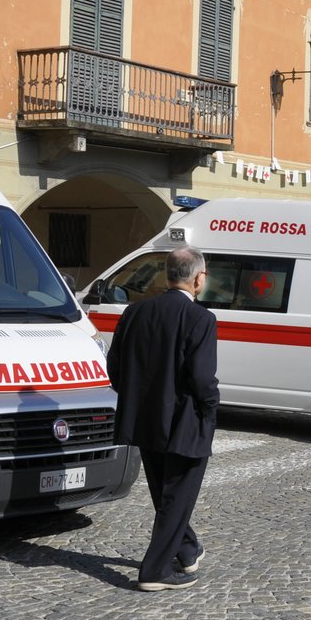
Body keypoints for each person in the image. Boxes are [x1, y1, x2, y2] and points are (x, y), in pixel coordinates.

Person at [107, 245, 219, 592]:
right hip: (185, 421)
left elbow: (115, 367)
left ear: (168, 275)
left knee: (167, 495)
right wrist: (211, 406)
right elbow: (202, 378)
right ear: (199, 279)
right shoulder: (201, 318)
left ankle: (186, 550)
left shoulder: (135, 312)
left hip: (146, 420)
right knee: (177, 497)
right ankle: (155, 570)